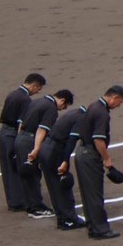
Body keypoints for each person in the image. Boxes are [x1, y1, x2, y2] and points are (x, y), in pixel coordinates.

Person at [74, 86, 123, 240]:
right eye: (120, 102)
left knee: (88, 194)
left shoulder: (93, 106)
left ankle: (93, 227)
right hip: (90, 155)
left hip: (82, 153)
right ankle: (100, 230)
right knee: (95, 194)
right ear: (114, 97)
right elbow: (98, 139)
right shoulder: (102, 113)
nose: (119, 106)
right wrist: (107, 159)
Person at [15, 80, 67, 219]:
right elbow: (41, 130)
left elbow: (21, 123)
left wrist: (20, 141)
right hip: (30, 141)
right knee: (32, 174)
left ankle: (31, 205)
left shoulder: (36, 101)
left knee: (27, 174)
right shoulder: (50, 108)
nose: (61, 109)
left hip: (21, 138)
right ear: (62, 100)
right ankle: (35, 208)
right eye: (64, 105)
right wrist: (36, 149)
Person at [39, 92, 85, 230]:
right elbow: (71, 141)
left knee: (53, 185)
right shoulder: (81, 118)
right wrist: (65, 161)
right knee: (62, 183)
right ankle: (69, 219)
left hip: (46, 148)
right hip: (55, 150)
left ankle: (62, 219)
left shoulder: (73, 113)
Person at [0, 72, 43, 212]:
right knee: (15, 167)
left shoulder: (12, 94)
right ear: (34, 85)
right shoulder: (25, 99)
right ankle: (19, 201)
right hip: (12, 135)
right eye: (38, 88)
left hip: (3, 133)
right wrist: (19, 140)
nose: (38, 91)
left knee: (7, 168)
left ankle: (12, 201)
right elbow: (20, 123)